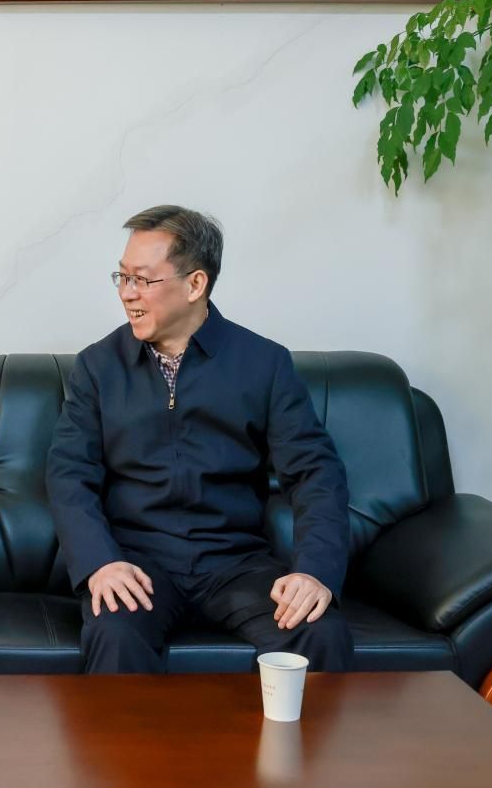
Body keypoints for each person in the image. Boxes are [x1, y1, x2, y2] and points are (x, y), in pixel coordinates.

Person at [47, 205, 353, 674]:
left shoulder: (264, 364)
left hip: (235, 563)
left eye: (142, 279)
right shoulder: (98, 367)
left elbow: (316, 473)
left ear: (195, 284)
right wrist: (100, 563)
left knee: (319, 631)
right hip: (138, 564)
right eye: (122, 277)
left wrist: (315, 572)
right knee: (115, 631)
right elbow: (68, 474)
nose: (127, 293)